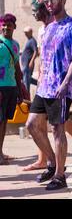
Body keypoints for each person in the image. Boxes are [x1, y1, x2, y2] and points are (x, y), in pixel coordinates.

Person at [23, 0, 72, 172]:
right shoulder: (44, 30)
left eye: (36, 10)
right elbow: (44, 56)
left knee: (59, 126)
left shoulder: (69, 27)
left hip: (60, 86)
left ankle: (60, 171)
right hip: (45, 85)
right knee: (34, 124)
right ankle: (49, 161)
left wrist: (65, 83)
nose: (34, 14)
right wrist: (40, 75)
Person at [0, 14, 23, 165]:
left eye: (9, 25)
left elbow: (16, 67)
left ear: (14, 27)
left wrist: (20, 90)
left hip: (11, 87)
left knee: (4, 122)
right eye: (4, 25)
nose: (6, 27)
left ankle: (0, 151)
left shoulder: (15, 45)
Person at [21, 26, 38, 93]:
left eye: (26, 33)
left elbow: (36, 51)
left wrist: (31, 61)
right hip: (25, 65)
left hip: (27, 65)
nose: (25, 34)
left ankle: (26, 98)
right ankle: (39, 83)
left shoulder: (32, 41)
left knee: (26, 83)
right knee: (27, 80)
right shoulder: (29, 40)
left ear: (30, 32)